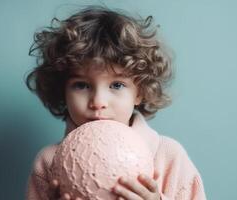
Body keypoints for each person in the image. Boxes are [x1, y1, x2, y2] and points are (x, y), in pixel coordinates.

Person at [25, 5, 206, 200]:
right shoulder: (48, 162)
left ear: (140, 92)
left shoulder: (169, 157)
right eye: (82, 85)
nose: (98, 102)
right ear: (63, 90)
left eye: (117, 85)